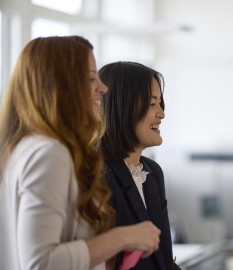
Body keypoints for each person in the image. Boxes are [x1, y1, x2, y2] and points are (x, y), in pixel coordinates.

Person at [0, 36, 161, 270]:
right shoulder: (49, 153)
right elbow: (40, 263)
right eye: (90, 78)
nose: (102, 89)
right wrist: (123, 237)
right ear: (59, 86)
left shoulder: (23, 148)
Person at [98, 61, 180, 270]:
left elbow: (163, 259)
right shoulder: (97, 177)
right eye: (152, 104)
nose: (161, 113)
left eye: (160, 103)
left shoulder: (152, 171)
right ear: (121, 107)